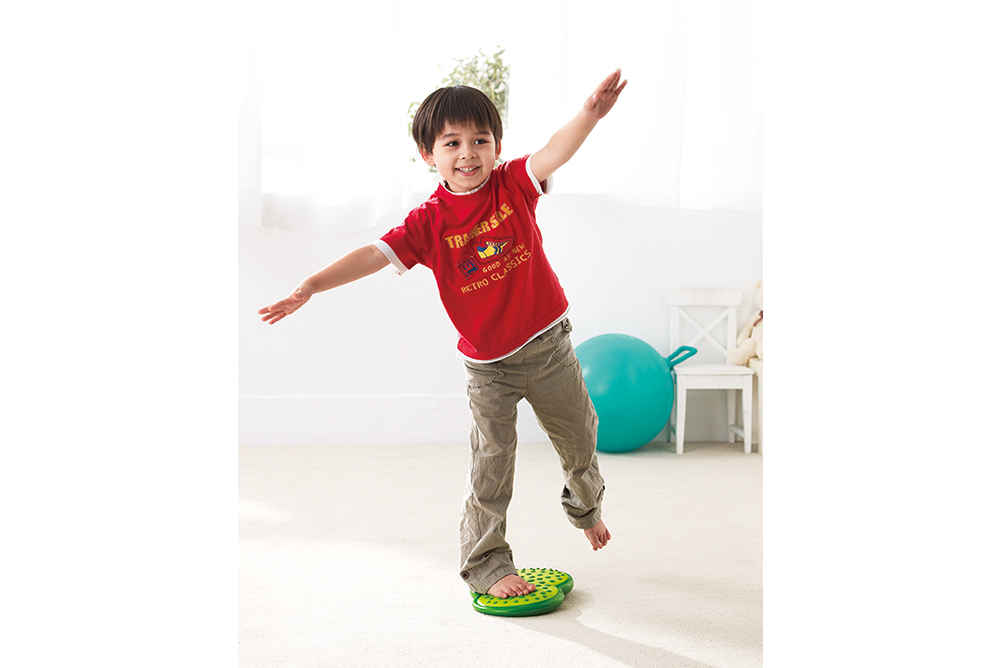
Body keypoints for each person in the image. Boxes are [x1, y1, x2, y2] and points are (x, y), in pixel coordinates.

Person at [259, 69, 628, 600]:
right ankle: (488, 564)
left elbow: (554, 151)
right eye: (452, 143)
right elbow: (372, 255)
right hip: (490, 369)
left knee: (581, 437)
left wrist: (589, 115)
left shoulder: (513, 184)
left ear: (497, 146)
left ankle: (586, 508)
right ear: (427, 154)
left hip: (549, 346)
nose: (468, 153)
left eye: (480, 140)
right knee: (491, 464)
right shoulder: (428, 222)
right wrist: (311, 285)